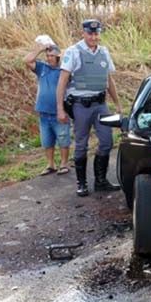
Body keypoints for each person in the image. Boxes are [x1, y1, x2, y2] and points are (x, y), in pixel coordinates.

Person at [56, 19, 122, 197]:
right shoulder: (73, 52)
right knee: (81, 145)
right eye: (90, 33)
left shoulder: (104, 52)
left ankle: (100, 181)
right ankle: (82, 183)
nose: (94, 37)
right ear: (83, 33)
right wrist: (60, 109)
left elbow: (109, 79)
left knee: (107, 141)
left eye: (96, 33)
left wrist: (117, 103)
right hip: (81, 105)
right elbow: (62, 81)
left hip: (100, 104)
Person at [24, 42, 71, 176]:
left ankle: (64, 163)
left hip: (58, 112)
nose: (49, 58)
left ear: (58, 57)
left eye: (52, 55)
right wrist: (39, 49)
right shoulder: (42, 68)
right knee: (47, 140)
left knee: (63, 139)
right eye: (48, 55)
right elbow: (27, 60)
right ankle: (50, 164)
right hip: (44, 113)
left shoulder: (64, 71)